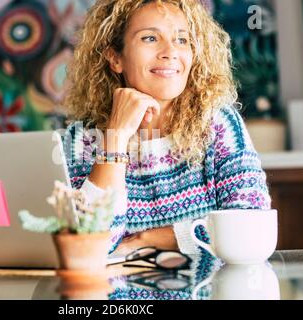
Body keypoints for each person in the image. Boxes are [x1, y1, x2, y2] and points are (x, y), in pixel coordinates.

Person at [61, 0, 271, 255]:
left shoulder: (218, 123)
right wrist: (115, 138)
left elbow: (249, 225)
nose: (170, 51)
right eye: (150, 38)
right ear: (116, 58)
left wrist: (147, 239)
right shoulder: (82, 138)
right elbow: (86, 246)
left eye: (182, 40)